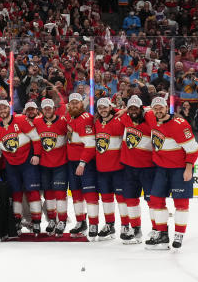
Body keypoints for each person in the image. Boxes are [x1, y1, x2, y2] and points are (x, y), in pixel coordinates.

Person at [145, 96, 198, 249]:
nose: (158, 111)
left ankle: (179, 235)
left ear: (166, 107)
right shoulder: (151, 116)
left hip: (179, 168)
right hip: (161, 168)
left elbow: (194, 150)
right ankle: (162, 234)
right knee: (155, 199)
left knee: (181, 203)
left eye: (161, 107)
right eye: (155, 108)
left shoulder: (179, 125)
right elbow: (139, 110)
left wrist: (188, 169)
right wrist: (122, 109)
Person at [0, 100, 42, 235]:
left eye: (5, 108)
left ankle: (37, 221)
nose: (3, 111)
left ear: (9, 109)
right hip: (11, 165)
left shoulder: (21, 120)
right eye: (0, 109)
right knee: (15, 193)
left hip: (27, 162)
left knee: (32, 191)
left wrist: (37, 154)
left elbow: (36, 138)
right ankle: (17, 220)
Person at [117, 96, 155, 243]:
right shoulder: (126, 119)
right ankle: (135, 228)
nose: (133, 111)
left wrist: (131, 108)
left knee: (152, 200)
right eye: (130, 108)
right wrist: (125, 109)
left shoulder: (149, 120)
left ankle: (156, 228)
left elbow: (153, 112)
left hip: (147, 168)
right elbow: (108, 111)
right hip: (129, 168)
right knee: (130, 199)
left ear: (141, 109)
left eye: (135, 108)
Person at [93, 97, 129, 241]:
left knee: (121, 198)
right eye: (100, 107)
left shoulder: (120, 118)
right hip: (101, 168)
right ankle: (109, 225)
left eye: (105, 107)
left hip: (118, 167)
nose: (102, 110)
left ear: (110, 107)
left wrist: (125, 109)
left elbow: (142, 110)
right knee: (106, 198)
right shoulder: (96, 122)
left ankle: (126, 225)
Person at [65, 93, 99, 239]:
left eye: (76, 103)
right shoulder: (69, 117)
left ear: (82, 104)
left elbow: (91, 144)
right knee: (76, 193)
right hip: (72, 162)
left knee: (90, 193)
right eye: (71, 103)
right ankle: (81, 222)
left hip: (85, 163)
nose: (74, 105)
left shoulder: (86, 119)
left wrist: (83, 162)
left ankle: (93, 223)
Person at [33, 98, 68, 236]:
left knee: (60, 193)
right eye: (45, 108)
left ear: (54, 108)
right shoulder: (36, 122)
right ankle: (52, 219)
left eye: (50, 107)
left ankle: (62, 220)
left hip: (61, 163)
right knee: (48, 194)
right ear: (42, 110)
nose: (47, 110)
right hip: (44, 164)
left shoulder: (63, 121)